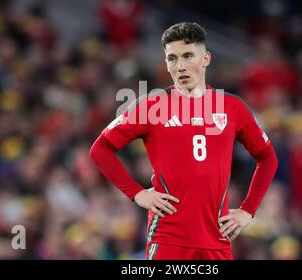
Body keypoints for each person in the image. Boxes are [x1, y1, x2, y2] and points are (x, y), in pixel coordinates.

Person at [89, 22, 278, 260]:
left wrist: (247, 211)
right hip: (169, 239)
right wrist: (138, 194)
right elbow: (100, 149)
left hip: (217, 240)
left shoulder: (232, 107)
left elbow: (267, 157)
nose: (180, 66)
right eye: (172, 59)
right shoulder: (152, 106)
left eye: (188, 56)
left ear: (206, 58)